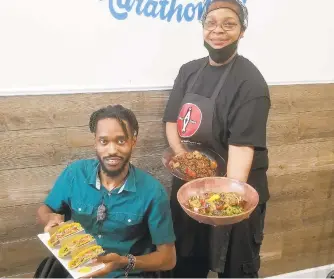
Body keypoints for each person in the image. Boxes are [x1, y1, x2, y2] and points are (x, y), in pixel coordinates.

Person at [162, 0, 270, 277]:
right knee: (184, 263)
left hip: (235, 186)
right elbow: (173, 122)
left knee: (234, 268)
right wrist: (185, 160)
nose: (218, 30)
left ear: (242, 30)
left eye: (229, 24)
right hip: (190, 184)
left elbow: (242, 149)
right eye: (211, 23)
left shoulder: (250, 83)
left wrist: (221, 204)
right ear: (202, 28)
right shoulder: (188, 71)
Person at [37, 105, 176, 278]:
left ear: (133, 141)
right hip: (74, 269)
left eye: (121, 141)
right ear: (95, 141)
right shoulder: (74, 174)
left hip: (124, 274)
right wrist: (50, 218)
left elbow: (168, 259)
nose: (112, 151)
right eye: (104, 141)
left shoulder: (153, 192)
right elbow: (45, 209)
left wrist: (125, 262)